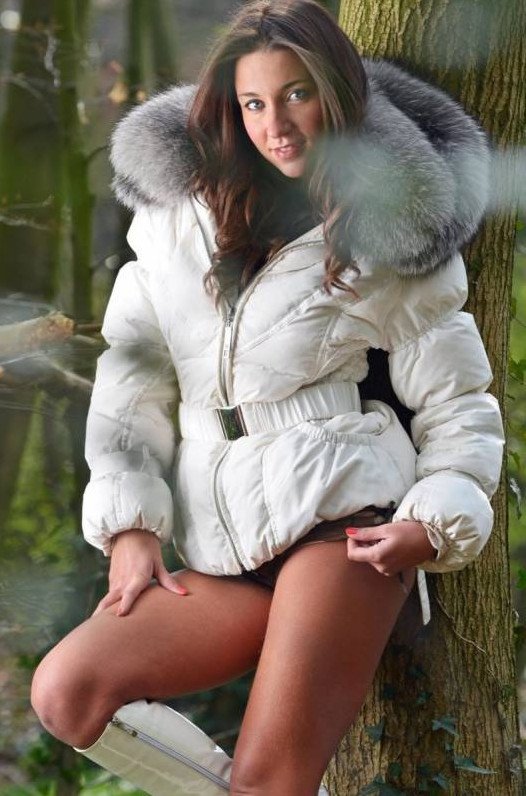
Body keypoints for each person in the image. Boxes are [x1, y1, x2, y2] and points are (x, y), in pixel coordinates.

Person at [30, 1, 505, 794]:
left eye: (296, 96)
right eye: (253, 103)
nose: (275, 126)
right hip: (221, 541)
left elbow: (459, 400)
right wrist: (132, 527)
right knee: (66, 694)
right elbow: (132, 377)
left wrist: (433, 523)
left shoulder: (385, 230)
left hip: (341, 524)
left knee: (269, 779)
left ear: (337, 95)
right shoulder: (175, 218)